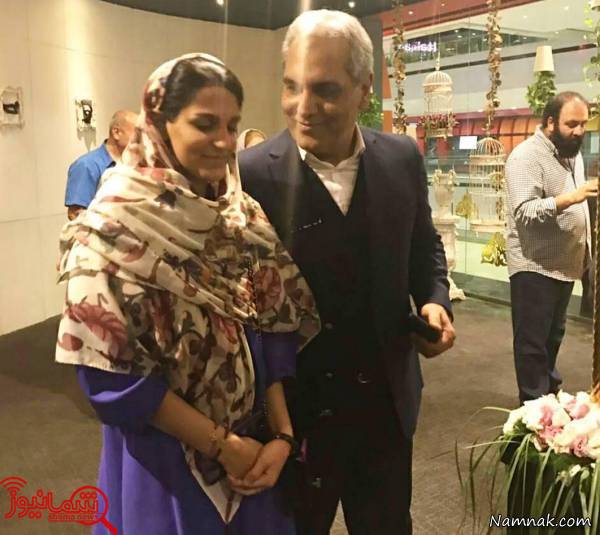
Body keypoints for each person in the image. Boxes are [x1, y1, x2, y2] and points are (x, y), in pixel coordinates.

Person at [55, 53, 320, 534]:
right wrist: (223, 446)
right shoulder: (112, 230)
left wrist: (282, 436)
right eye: (204, 123)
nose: (224, 141)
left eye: (231, 125)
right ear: (160, 123)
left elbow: (269, 331)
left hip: (255, 455)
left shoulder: (241, 216)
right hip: (167, 469)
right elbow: (109, 376)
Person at [239, 10, 455, 535]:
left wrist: (434, 300)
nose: (302, 107)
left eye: (325, 90)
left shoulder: (402, 158)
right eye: (292, 86)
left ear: (364, 89)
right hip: (294, 418)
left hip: (385, 405)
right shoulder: (250, 174)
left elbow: (424, 247)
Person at [506, 91, 596, 404]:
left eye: (583, 124)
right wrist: (571, 198)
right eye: (572, 124)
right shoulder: (525, 157)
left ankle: (548, 396)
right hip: (534, 266)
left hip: (564, 265)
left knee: (553, 337)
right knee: (532, 343)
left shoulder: (572, 154)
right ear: (550, 122)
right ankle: (532, 407)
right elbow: (524, 212)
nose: (579, 131)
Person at [64, 109, 138, 220]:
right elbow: (75, 214)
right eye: (137, 134)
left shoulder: (134, 164)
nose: (142, 140)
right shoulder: (86, 165)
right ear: (116, 133)